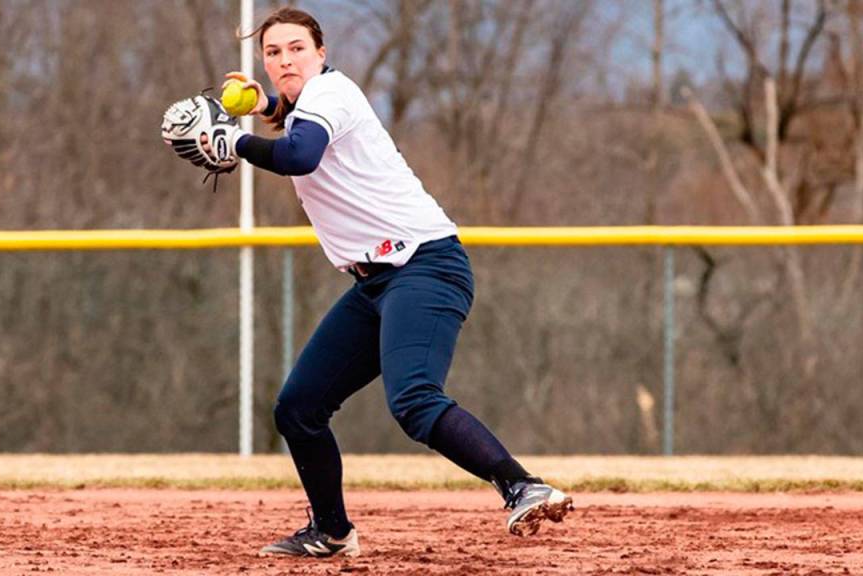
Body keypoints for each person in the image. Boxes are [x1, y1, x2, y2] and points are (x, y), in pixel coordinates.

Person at [170, 6, 572, 558]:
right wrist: (264, 106)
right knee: (298, 407)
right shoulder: (308, 102)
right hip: (376, 282)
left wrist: (233, 142)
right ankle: (331, 532)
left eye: (296, 48)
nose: (284, 59)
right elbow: (294, 123)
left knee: (414, 400)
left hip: (425, 266)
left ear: (322, 52)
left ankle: (523, 485)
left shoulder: (332, 95)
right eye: (273, 52)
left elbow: (300, 155)